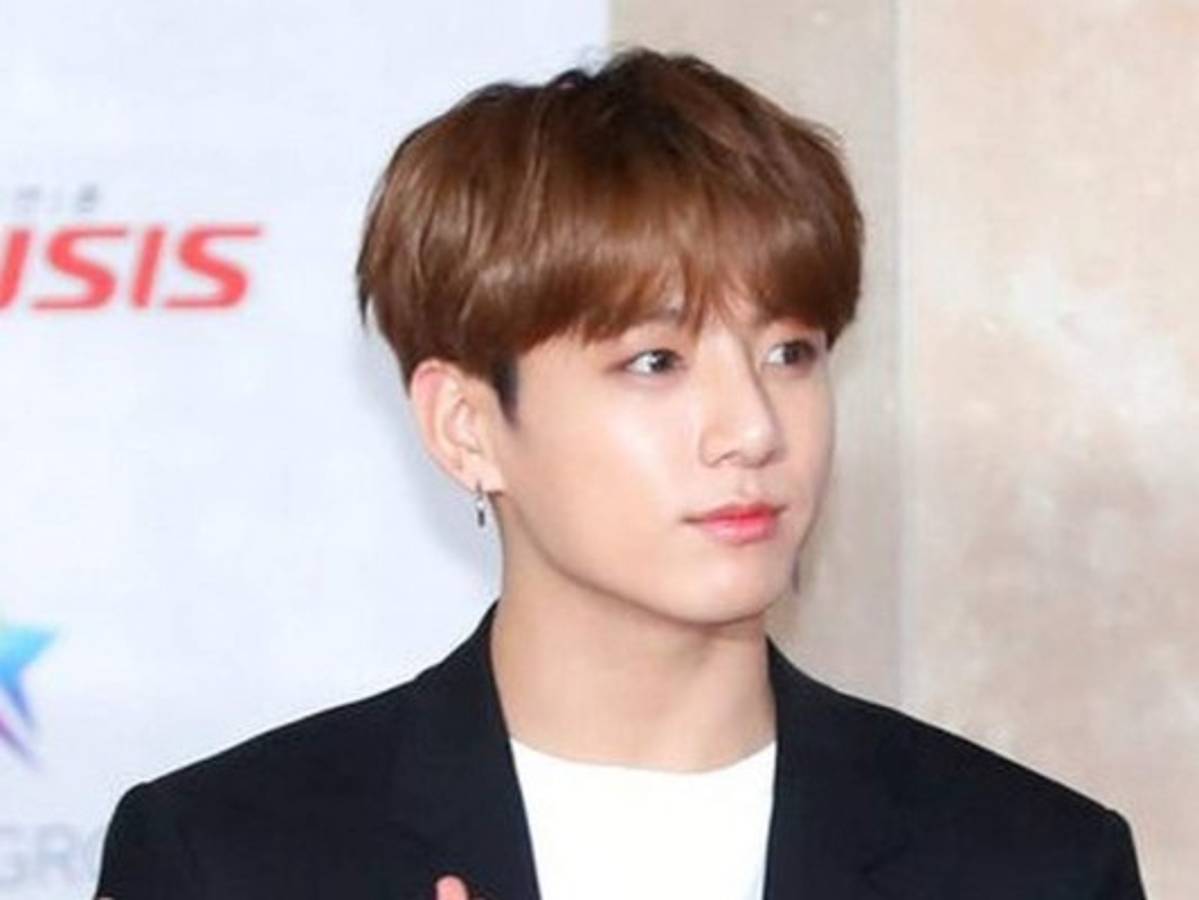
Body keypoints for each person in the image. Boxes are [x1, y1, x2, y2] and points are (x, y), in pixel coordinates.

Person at [95, 48, 1146, 900]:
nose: (751, 430)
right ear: (465, 425)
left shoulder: (1032, 863)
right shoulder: (228, 857)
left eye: (789, 352)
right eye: (655, 362)